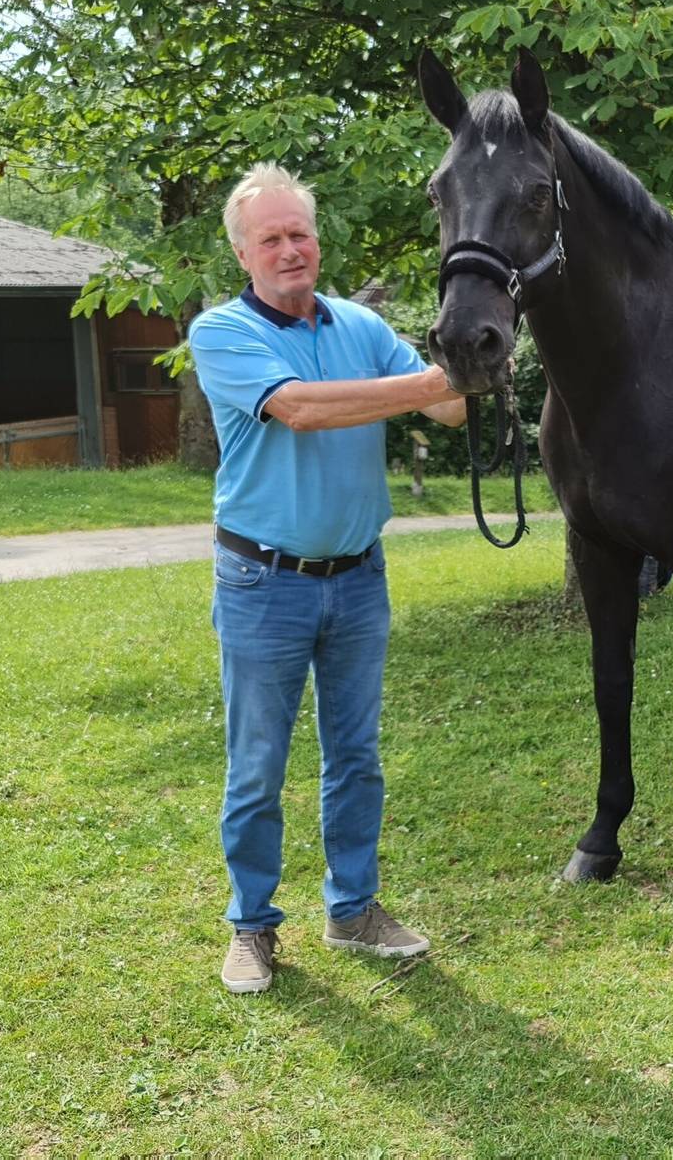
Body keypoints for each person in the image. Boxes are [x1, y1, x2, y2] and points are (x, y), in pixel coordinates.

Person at [188, 162, 469, 995]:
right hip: (261, 581)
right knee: (257, 763)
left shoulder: (359, 324)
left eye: (299, 233)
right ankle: (251, 926)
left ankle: (353, 911)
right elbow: (303, 408)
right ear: (243, 252)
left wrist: (469, 359)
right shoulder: (221, 332)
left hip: (357, 578)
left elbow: (451, 407)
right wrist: (426, 383)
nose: (288, 249)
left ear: (319, 240)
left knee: (356, 755)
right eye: (269, 237)